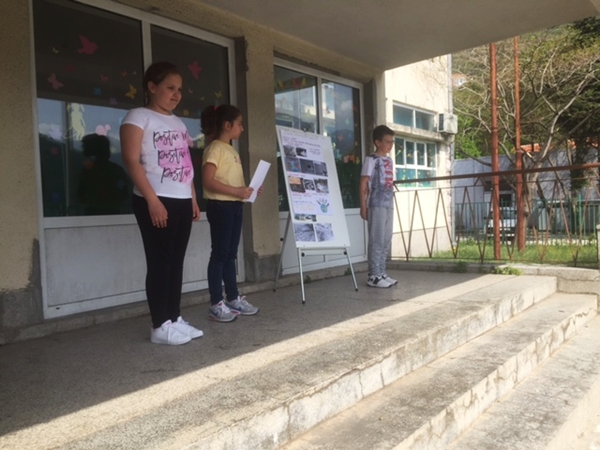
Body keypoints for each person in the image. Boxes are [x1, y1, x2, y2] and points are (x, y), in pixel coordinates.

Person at [120, 61, 202, 345]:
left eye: (179, 89)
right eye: (170, 88)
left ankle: (174, 318)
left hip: (181, 199)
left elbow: (185, 163)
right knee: (160, 262)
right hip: (154, 198)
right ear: (152, 87)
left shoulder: (178, 123)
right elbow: (131, 160)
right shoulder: (138, 116)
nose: (176, 94)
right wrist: (153, 201)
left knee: (176, 262)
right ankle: (159, 325)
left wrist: (193, 198)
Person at [201, 104, 260, 322]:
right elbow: (207, 181)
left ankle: (233, 298)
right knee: (219, 254)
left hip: (234, 206)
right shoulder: (215, 148)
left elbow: (232, 182)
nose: (242, 128)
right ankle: (216, 303)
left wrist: (249, 190)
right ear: (227, 125)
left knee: (230, 254)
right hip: (221, 207)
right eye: (239, 124)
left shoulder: (231, 150)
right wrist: (237, 191)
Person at [359, 125, 399, 288]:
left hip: (388, 202)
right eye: (387, 142)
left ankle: (381, 272)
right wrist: (363, 206)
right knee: (376, 239)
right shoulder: (371, 159)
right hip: (376, 203)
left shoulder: (389, 160)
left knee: (386, 239)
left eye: (392, 142)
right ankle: (373, 275)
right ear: (378, 142)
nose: (390, 145)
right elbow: (363, 183)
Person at [78, 133, 130, 215]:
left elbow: (80, 194)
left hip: (95, 213)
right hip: (112, 213)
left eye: (85, 148)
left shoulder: (87, 172)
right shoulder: (117, 170)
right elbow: (125, 192)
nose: (82, 152)